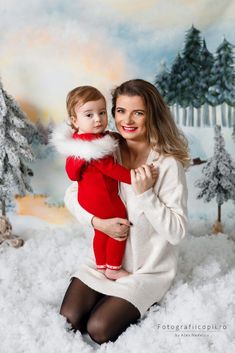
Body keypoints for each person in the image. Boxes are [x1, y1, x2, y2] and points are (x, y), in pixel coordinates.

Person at [59, 79, 190, 344]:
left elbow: (177, 233)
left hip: (145, 271)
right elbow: (72, 194)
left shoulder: (166, 165)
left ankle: (134, 299)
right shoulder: (106, 149)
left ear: (152, 116)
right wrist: (98, 223)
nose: (127, 120)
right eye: (120, 110)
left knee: (98, 328)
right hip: (103, 261)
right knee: (69, 318)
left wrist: (145, 194)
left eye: (138, 112)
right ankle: (108, 290)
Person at [52, 86, 157, 280]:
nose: (98, 119)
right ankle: (114, 267)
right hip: (101, 198)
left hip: (88, 197)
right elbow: (112, 170)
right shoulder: (93, 148)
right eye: (89, 115)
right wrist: (135, 177)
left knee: (100, 232)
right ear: (75, 121)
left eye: (101, 112)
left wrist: (112, 137)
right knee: (119, 225)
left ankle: (101, 265)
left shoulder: (83, 140)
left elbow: (73, 171)